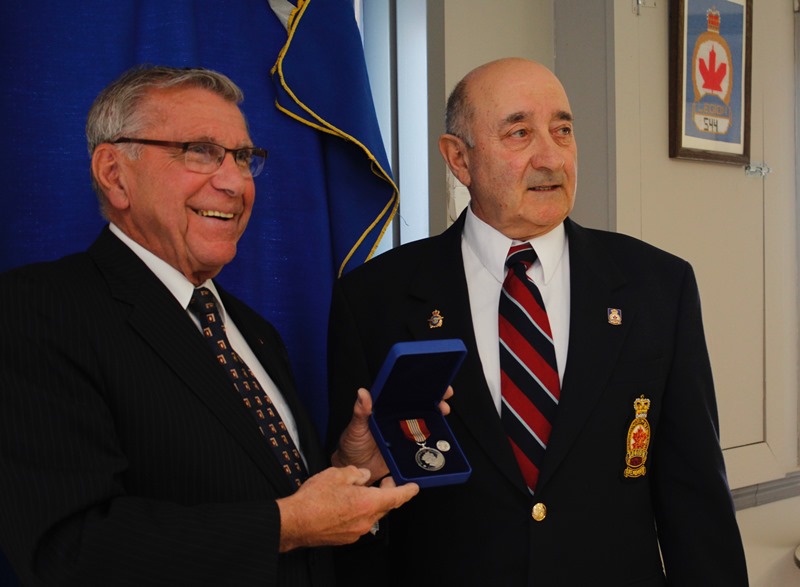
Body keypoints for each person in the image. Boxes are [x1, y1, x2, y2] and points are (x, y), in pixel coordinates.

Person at [327, 58, 749, 585]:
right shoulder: (374, 298)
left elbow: (696, 497)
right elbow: (353, 503)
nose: (551, 158)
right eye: (520, 133)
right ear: (459, 158)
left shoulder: (657, 287)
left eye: (562, 131)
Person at [0, 64, 420, 586]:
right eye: (199, 151)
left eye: (243, 157)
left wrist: (346, 468)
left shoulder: (254, 330)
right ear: (114, 173)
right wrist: (287, 526)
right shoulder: (39, 310)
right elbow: (68, 548)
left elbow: (269, 497)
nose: (234, 182)